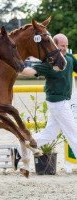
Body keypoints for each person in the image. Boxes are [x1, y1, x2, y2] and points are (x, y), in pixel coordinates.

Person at [14, 33, 77, 169]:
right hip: (58, 103)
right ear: (55, 46)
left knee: (49, 134)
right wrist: (16, 65)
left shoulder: (70, 59)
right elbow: (30, 71)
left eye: (66, 46)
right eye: (62, 46)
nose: (65, 48)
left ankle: (20, 148)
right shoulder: (49, 63)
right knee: (74, 133)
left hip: (61, 102)